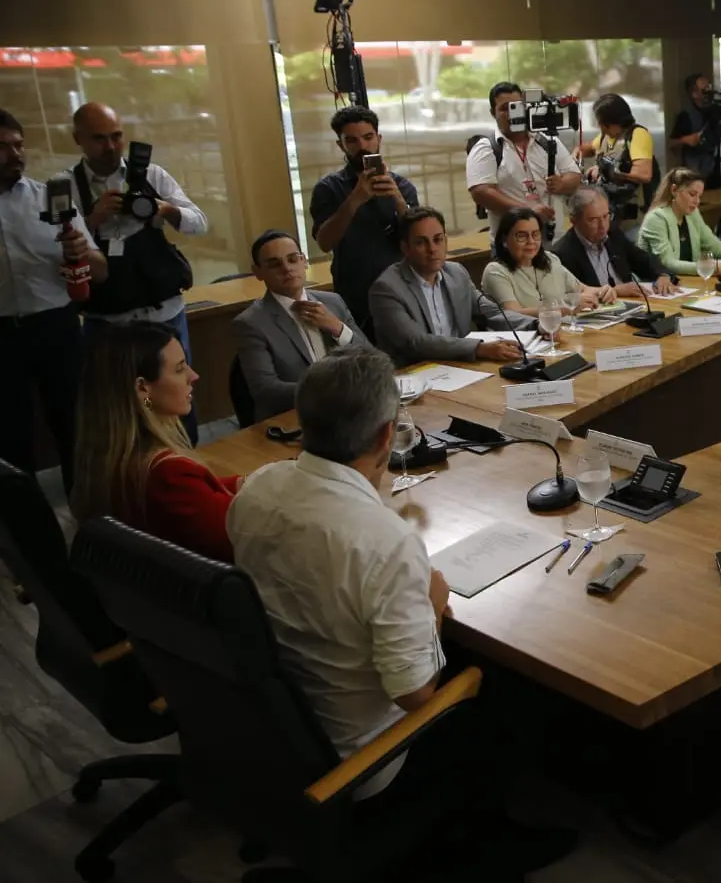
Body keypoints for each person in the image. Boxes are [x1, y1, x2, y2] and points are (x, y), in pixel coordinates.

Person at [225, 348, 577, 871]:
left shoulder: (256, 489)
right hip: (365, 756)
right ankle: (488, 843)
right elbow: (416, 694)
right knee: (498, 690)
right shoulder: (384, 541)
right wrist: (433, 605)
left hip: (276, 727)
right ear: (387, 436)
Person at [68, 101, 208, 443]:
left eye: (117, 136)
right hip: (109, 322)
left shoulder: (151, 174)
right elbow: (57, 244)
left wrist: (165, 209)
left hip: (165, 314)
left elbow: (199, 223)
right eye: (99, 138)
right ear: (79, 139)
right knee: (121, 409)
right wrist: (92, 220)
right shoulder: (66, 185)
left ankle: (188, 463)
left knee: (177, 399)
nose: (111, 146)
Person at [0, 107, 106, 490]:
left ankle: (93, 523)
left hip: (56, 328)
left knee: (77, 427)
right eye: (3, 147)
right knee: (9, 438)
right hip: (2, 337)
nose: (16, 154)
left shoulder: (50, 199)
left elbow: (101, 269)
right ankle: (27, 535)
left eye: (18, 144)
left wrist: (83, 250)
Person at [71, 322, 238, 563]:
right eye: (180, 369)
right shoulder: (168, 475)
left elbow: (197, 499)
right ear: (142, 388)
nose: (194, 376)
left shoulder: (110, 459)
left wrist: (246, 483)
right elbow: (245, 541)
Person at [367, 207, 536, 366]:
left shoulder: (456, 273)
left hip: (460, 367)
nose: (432, 249)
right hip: (415, 373)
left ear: (445, 240)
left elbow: (492, 313)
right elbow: (415, 342)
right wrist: (478, 348)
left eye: (438, 240)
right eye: (421, 242)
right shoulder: (387, 288)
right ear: (405, 248)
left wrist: (535, 325)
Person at [233, 230, 368, 421]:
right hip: (296, 418)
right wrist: (333, 391)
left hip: (351, 410)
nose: (287, 269)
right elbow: (265, 391)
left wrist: (338, 328)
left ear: (304, 261)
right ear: (258, 273)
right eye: (274, 264)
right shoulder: (250, 323)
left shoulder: (333, 301)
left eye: (293, 259)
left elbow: (371, 356)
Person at [309, 105, 418, 334]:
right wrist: (355, 199)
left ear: (378, 138)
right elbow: (324, 242)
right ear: (341, 145)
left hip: (402, 289)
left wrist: (398, 200)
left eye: (368, 138)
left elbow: (419, 236)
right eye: (352, 141)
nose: (362, 146)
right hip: (354, 294)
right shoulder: (328, 188)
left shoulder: (402, 185)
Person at [466, 81, 582, 233]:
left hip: (555, 240)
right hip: (512, 244)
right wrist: (527, 210)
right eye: (504, 108)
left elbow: (574, 175)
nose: (511, 113)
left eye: (516, 107)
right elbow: (481, 192)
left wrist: (561, 184)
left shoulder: (547, 140)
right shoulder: (486, 148)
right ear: (493, 113)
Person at [550, 185, 676, 299]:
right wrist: (616, 291)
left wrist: (663, 276)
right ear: (574, 220)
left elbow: (645, 260)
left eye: (606, 216)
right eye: (593, 220)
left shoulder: (613, 234)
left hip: (635, 304)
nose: (602, 226)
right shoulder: (562, 253)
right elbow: (570, 297)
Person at [639, 168, 721, 280]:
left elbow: (714, 245)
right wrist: (711, 267)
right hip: (659, 285)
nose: (697, 201)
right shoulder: (656, 219)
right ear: (674, 190)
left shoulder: (692, 213)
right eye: (692, 194)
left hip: (689, 281)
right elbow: (668, 263)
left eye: (700, 196)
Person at [480, 207, 603, 319]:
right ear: (504, 241)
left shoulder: (550, 260)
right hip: (525, 338)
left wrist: (606, 291)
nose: (531, 241)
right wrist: (565, 309)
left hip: (562, 332)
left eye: (535, 234)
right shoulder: (495, 271)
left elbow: (583, 290)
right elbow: (513, 313)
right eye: (522, 236)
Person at [578, 93, 654, 217]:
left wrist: (607, 170)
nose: (600, 126)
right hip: (607, 212)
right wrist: (577, 153)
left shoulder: (637, 135)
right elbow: (591, 148)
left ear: (613, 122)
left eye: (602, 123)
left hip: (630, 215)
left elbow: (644, 174)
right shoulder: (606, 136)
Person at [671, 72, 721, 188]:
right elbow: (671, 143)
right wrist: (686, 140)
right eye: (705, 90)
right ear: (694, 93)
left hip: (718, 170)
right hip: (695, 172)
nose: (710, 92)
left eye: (710, 88)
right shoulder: (686, 116)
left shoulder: (717, 112)